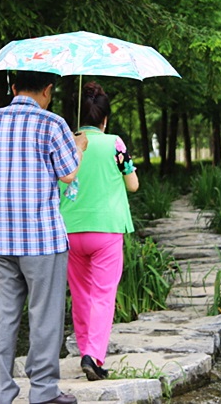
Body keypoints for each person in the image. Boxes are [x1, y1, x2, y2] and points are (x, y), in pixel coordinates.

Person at [0, 71, 88, 404]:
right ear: (47, 91)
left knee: (3, 316)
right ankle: (43, 393)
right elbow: (68, 174)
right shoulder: (53, 124)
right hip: (42, 240)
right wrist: (80, 147)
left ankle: (1, 394)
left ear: (13, 88)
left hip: (0, 239)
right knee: (44, 315)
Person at [59, 82, 139, 381]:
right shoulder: (115, 143)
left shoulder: (66, 142)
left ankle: (84, 351)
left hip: (70, 229)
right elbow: (133, 184)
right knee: (103, 295)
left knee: (80, 295)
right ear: (105, 118)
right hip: (106, 229)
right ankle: (94, 355)